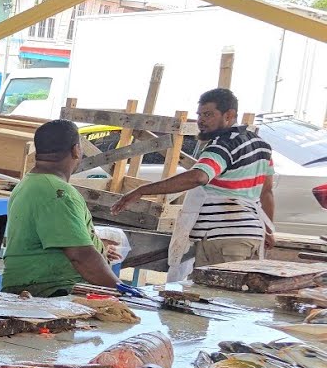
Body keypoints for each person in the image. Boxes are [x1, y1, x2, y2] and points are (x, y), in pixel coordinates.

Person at [112, 88, 275, 279]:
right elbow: (267, 192)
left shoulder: (223, 145)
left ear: (229, 115)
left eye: (208, 114)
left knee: (214, 294)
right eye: (199, 115)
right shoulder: (261, 145)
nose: (201, 121)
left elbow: (199, 176)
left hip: (222, 238)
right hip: (252, 235)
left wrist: (141, 191)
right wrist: (268, 230)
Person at [2, 119, 120, 297]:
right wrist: (123, 292)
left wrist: (99, 248)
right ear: (76, 150)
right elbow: (81, 257)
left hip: (34, 287)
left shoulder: (30, 183)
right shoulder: (58, 193)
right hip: (51, 291)